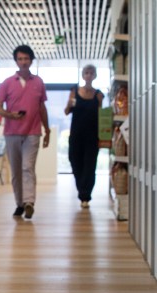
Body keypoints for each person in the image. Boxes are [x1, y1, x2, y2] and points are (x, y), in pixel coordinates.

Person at [0, 45, 50, 220]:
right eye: (20, 59)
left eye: (26, 59)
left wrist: (47, 130)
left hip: (33, 132)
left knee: (27, 168)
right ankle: (19, 203)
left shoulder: (38, 82)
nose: (23, 62)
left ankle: (29, 202)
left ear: (31, 61)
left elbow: (42, 107)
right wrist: (10, 115)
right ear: (16, 61)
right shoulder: (7, 83)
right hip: (11, 133)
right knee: (16, 171)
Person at [64, 64, 104, 208]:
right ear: (82, 75)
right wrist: (69, 104)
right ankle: (82, 189)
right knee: (75, 162)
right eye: (86, 72)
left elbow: (102, 116)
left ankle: (85, 195)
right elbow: (67, 111)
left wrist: (104, 135)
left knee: (90, 165)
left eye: (91, 73)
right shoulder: (74, 92)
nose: (88, 75)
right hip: (76, 135)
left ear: (95, 76)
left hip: (93, 136)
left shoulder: (98, 94)